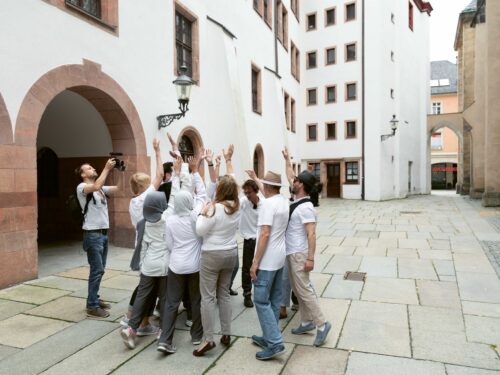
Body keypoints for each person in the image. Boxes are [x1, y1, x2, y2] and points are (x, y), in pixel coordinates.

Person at [283, 148, 331, 347]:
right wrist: (286, 159)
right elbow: (289, 176)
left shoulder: (306, 207)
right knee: (297, 288)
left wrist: (310, 258)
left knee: (304, 290)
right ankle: (306, 322)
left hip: (299, 254)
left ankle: (321, 323)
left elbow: (311, 234)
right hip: (291, 252)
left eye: (296, 181)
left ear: (301, 185)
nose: (292, 181)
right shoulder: (297, 200)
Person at [194, 173, 240, 357]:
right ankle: (227, 333)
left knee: (207, 297)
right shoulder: (237, 207)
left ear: (220, 190)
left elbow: (199, 230)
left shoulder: (214, 208)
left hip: (212, 254)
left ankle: (208, 338)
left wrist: (201, 213)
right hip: (231, 253)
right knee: (224, 294)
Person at [120, 191, 169, 350]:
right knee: (165, 299)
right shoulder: (168, 221)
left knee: (142, 296)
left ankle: (131, 328)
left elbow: (142, 246)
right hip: (164, 267)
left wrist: (142, 265)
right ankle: (163, 332)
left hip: (148, 266)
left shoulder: (142, 223)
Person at [250, 171, 289, 360]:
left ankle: (274, 342)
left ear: (266, 187)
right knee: (274, 300)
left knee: (260, 300)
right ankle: (268, 337)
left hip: (266, 260)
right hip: (279, 257)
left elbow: (265, 233)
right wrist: (257, 177)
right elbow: (268, 196)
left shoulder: (267, 204)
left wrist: (255, 262)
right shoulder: (283, 201)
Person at [76, 158, 120, 318]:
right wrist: (107, 168)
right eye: (89, 168)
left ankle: (94, 298)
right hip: (92, 234)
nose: (93, 169)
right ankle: (92, 306)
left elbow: (118, 188)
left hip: (103, 234)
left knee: (99, 271)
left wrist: (120, 170)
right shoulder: (82, 187)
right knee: (97, 270)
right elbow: (95, 186)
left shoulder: (101, 189)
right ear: (83, 174)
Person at [237, 177, 263, 308]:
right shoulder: (243, 202)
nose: (247, 195)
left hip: (260, 240)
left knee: (260, 267)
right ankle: (247, 294)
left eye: (249, 192)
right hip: (248, 240)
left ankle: (261, 292)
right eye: (245, 192)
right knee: (246, 268)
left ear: (256, 191)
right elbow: (234, 203)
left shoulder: (263, 204)